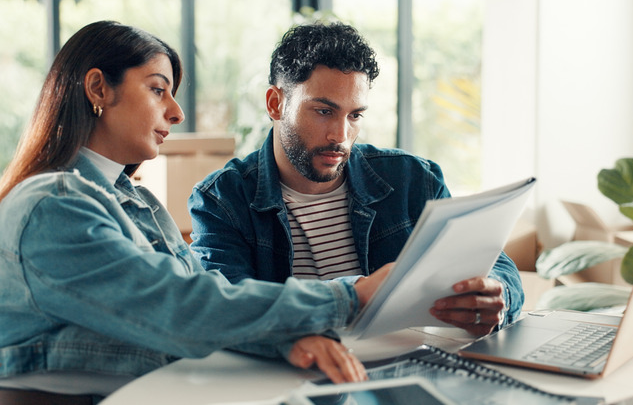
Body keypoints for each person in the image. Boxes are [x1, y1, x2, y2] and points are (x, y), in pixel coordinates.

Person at [0, 20, 392, 404]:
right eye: (158, 89)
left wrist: (280, 341)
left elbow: (203, 294)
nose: (176, 112)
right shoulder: (51, 205)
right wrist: (350, 297)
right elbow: (179, 305)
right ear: (98, 88)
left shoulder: (138, 203)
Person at [188, 21, 524, 337]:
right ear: (276, 104)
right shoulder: (221, 200)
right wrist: (354, 295)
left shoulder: (414, 179)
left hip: (403, 367)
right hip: (290, 373)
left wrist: (498, 297)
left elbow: (494, 263)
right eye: (323, 111)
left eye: (355, 115)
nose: (341, 135)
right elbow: (226, 310)